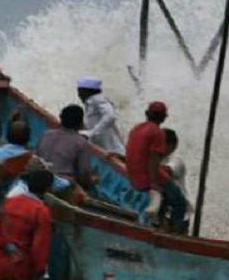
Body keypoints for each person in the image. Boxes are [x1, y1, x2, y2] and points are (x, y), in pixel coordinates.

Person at [126, 102, 186, 230]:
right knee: (180, 203)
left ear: (147, 114)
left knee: (165, 197)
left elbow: (135, 153)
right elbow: (153, 160)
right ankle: (174, 233)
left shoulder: (136, 128)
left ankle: (162, 222)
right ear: (163, 117)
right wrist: (153, 183)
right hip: (146, 179)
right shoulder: (157, 132)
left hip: (133, 178)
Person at [0, 121, 72, 195]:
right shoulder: (35, 162)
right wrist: (69, 181)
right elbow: (60, 185)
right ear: (28, 140)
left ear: (6, 137)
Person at [36, 105, 97, 188]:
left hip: (39, 178)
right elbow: (84, 177)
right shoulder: (81, 142)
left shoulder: (46, 134)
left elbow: (37, 156)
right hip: (60, 185)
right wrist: (94, 180)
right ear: (80, 123)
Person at [76, 77, 125, 156]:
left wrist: (91, 133)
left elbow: (110, 115)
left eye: (80, 92)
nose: (79, 95)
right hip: (102, 148)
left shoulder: (98, 100)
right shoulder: (90, 103)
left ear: (87, 91)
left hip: (111, 149)